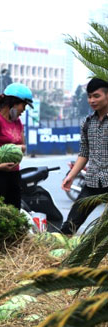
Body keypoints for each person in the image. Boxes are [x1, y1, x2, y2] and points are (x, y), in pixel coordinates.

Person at [61, 77, 108, 234]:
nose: (92, 100)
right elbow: (84, 153)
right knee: (70, 225)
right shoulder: (87, 122)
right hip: (93, 181)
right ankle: (61, 255)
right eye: (89, 96)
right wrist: (71, 176)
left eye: (96, 96)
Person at [0, 83, 33, 209]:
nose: (23, 110)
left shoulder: (18, 122)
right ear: (13, 103)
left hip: (14, 174)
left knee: (14, 213)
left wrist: (18, 149)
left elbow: (23, 146)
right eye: (23, 105)